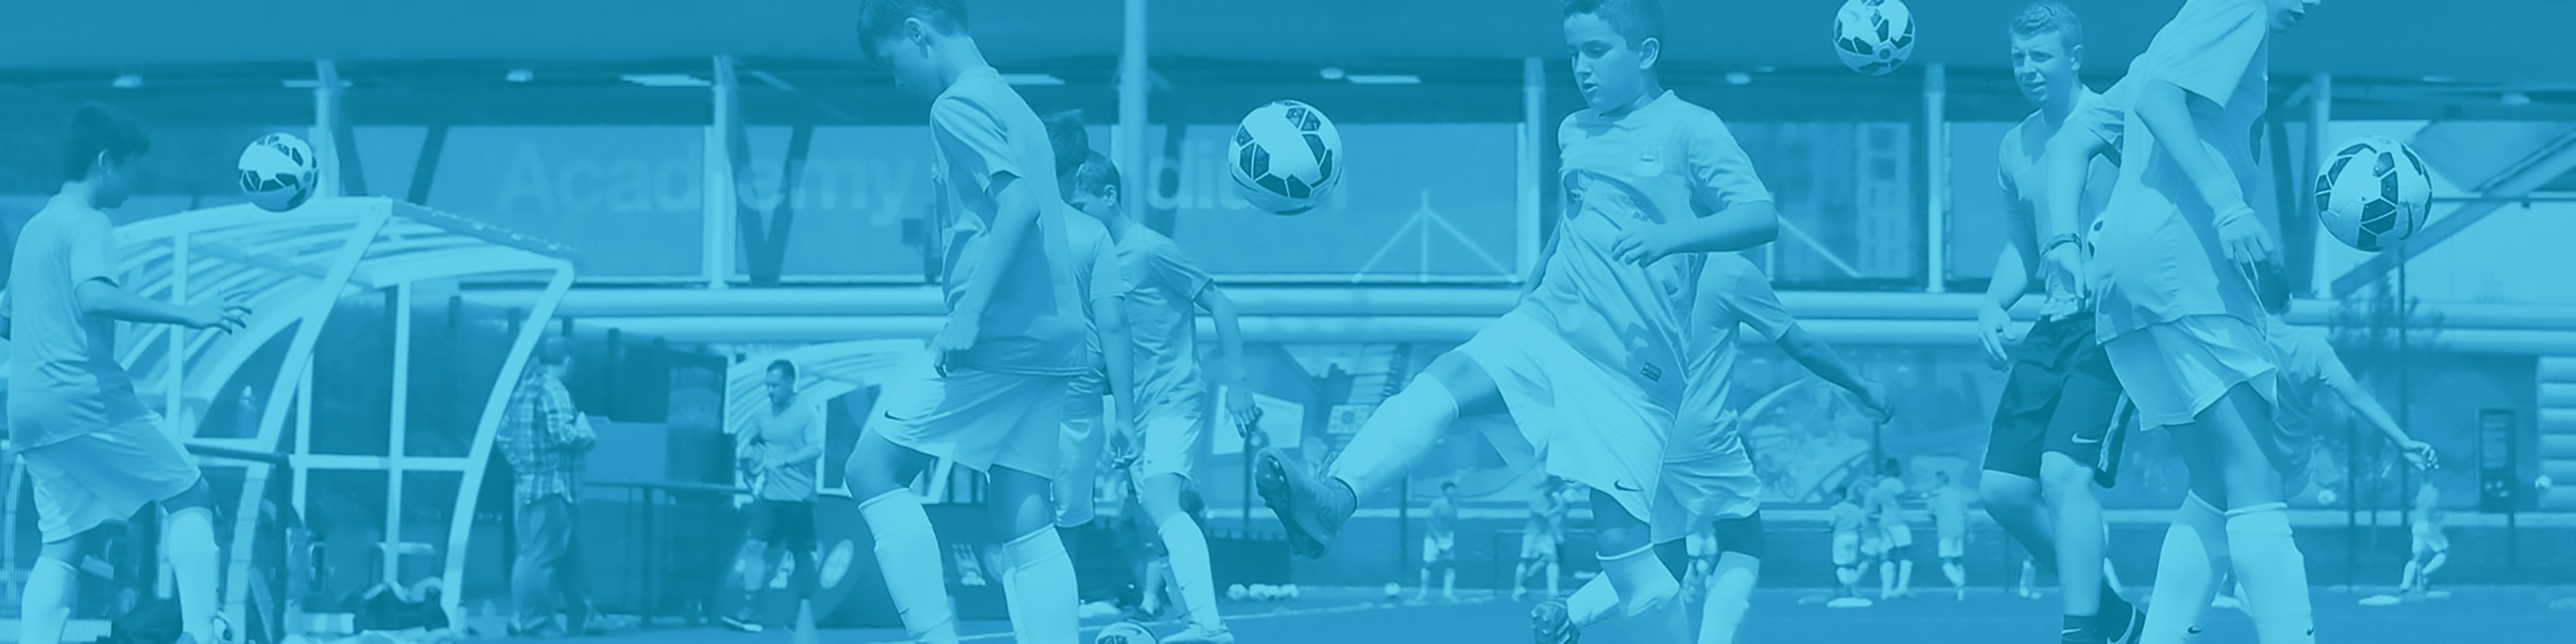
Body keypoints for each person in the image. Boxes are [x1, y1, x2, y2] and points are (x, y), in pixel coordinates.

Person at [1253, 2, 1783, 642]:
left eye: (1597, 51)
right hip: (1547, 325)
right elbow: (1576, 215)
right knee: (1444, 381)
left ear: (1644, 54)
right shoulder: (1574, 130)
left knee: (1631, 567)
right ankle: (1333, 500)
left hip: (1631, 372)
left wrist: (1671, 237)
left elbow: (1759, 215)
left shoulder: (1691, 128)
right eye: (1574, 53)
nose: (1582, 67)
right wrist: (1534, 280)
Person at [2037, 2, 2329, 642]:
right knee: (2258, 479)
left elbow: (2068, 142)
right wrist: (2228, 207)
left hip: (2127, 283)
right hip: (2183, 269)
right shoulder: (2238, 7)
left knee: (2216, 488)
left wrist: (2060, 240)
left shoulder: (2165, 44)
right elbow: (2160, 101)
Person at [842, 2, 1127, 641]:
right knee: (1021, 511)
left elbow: (1018, 205)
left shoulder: (954, 105)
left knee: (869, 471)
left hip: (1001, 332)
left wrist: (968, 316)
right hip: (1056, 338)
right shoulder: (1016, 105)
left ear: (917, 33)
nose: (897, 80)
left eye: (891, 63)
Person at [4, 102, 250, 644]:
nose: (137, 179)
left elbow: (6, 319)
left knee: (64, 542)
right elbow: (94, 295)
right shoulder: (90, 222)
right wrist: (191, 313)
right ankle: (200, 634)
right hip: (85, 400)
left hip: (29, 411)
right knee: (190, 493)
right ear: (104, 161)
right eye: (133, 165)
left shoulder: (35, 229)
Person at [1553, 250, 1892, 643]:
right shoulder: (1727, 270)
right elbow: (1800, 343)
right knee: (1743, 539)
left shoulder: (1631, 266)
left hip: (1639, 433)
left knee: (1667, 558)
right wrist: (1862, 387)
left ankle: (1568, 614)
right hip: (1698, 432)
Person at [1048, 112, 1257, 644]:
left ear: (1109, 196)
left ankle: (1209, 624)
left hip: (1174, 398)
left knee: (1162, 504)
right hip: (1133, 410)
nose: (1075, 216)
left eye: (1081, 206)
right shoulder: (1087, 258)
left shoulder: (1150, 250)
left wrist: (1238, 382)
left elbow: (1220, 303)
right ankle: (1194, 622)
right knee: (1153, 516)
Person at [1975, 3, 2148, 641]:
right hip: (2050, 326)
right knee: (2000, 490)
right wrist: (1992, 303)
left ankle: (2081, 629)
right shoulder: (2014, 146)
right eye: (2018, 57)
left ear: (2074, 58)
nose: (2027, 68)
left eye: (2041, 56)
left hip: (2110, 328)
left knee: (2061, 476)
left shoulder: (2116, 125)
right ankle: (2115, 617)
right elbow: (2023, 243)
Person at [500, 337, 633, 636]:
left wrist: (524, 466)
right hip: (555, 488)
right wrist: (586, 432)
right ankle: (536, 622)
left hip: (527, 487)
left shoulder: (523, 389)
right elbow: (564, 435)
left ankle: (580, 616)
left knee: (562, 554)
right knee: (542, 557)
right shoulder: (554, 390)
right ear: (569, 361)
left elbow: (503, 436)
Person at [719, 360, 827, 634]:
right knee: (754, 546)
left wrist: (785, 461)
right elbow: (750, 444)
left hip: (799, 496)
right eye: (767, 385)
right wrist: (747, 462)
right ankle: (750, 611)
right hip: (769, 496)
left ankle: (802, 611)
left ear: (790, 382)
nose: (770, 390)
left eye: (775, 385)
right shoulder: (762, 414)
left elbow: (816, 448)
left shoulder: (806, 411)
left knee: (801, 552)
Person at [1514, 477, 1572, 601]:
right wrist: (1559, 506)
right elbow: (1544, 515)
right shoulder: (1538, 498)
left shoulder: (1553, 498)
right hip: (1532, 533)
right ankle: (1518, 588)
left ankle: (1553, 591)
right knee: (1525, 560)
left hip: (1546, 533)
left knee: (1552, 559)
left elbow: (1557, 517)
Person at [1871, 459, 1917, 600]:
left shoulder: (1881, 484)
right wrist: (1923, 495)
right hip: (1896, 520)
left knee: (1889, 554)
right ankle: (1902, 587)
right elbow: (1905, 494)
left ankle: (1886, 590)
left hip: (1884, 520)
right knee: (1906, 552)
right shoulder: (1895, 482)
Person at [1929, 471, 1973, 601]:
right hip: (1959, 530)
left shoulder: (1935, 495)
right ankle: (1960, 594)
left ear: (1939, 481)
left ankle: (1958, 582)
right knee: (1957, 560)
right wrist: (1970, 531)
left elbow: (1930, 512)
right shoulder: (1958, 494)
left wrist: (1936, 522)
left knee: (1946, 561)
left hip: (1945, 530)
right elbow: (1966, 515)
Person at [1828, 482, 1872, 609]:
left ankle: (1845, 586)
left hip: (1840, 536)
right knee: (1851, 565)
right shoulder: (1856, 509)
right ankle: (1853, 589)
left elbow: (1831, 523)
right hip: (1854, 537)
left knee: (1840, 564)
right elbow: (1863, 524)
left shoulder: (1835, 509)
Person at [2400, 480, 2447, 599]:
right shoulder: (2434, 491)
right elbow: (2430, 508)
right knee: (2443, 552)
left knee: (2416, 557)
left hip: (2416, 525)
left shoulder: (2422, 490)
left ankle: (2405, 584)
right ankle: (2425, 573)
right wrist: (2437, 519)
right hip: (2427, 524)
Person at [1418, 481, 1462, 603]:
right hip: (1432, 539)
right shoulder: (1436, 504)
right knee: (1428, 564)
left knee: (1451, 563)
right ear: (1444, 491)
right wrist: (1437, 539)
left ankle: (1448, 593)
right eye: (1450, 489)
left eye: (1454, 490)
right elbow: (1429, 522)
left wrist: (1449, 540)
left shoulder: (1455, 506)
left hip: (1447, 539)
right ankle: (1423, 593)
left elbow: (1452, 525)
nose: (1453, 492)